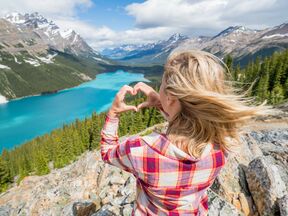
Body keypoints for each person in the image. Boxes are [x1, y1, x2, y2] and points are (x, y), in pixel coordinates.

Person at [100, 50, 266, 215]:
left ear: (171, 97)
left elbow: (107, 153)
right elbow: (190, 117)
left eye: (162, 86)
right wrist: (161, 102)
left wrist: (113, 114)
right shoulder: (223, 146)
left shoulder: (141, 150)